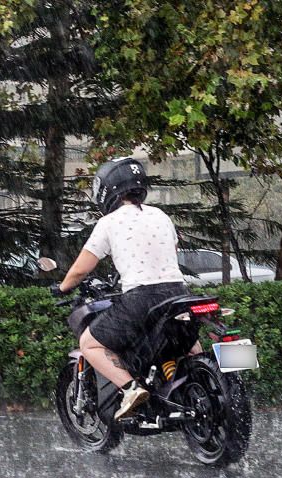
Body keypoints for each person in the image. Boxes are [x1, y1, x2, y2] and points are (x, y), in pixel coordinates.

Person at [52, 157, 190, 420]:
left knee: (89, 343)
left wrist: (62, 287)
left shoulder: (110, 222)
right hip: (178, 293)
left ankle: (131, 388)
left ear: (107, 189)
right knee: (185, 340)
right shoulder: (160, 215)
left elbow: (82, 268)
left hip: (143, 299)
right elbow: (169, 252)